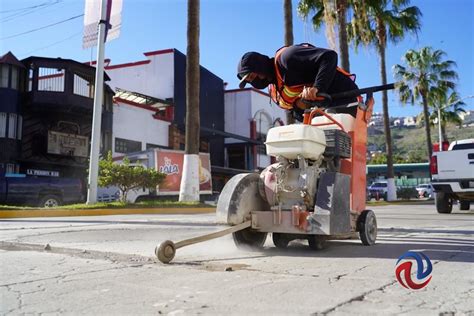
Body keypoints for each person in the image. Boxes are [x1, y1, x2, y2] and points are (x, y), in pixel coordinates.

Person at [237, 43, 359, 121]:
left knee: (340, 151)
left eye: (252, 76)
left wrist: (317, 88)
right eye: (249, 81)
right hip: (322, 114)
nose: (253, 82)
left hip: (345, 100)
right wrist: (299, 105)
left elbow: (329, 57)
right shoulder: (276, 93)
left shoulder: (287, 58)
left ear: (261, 67)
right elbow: (296, 111)